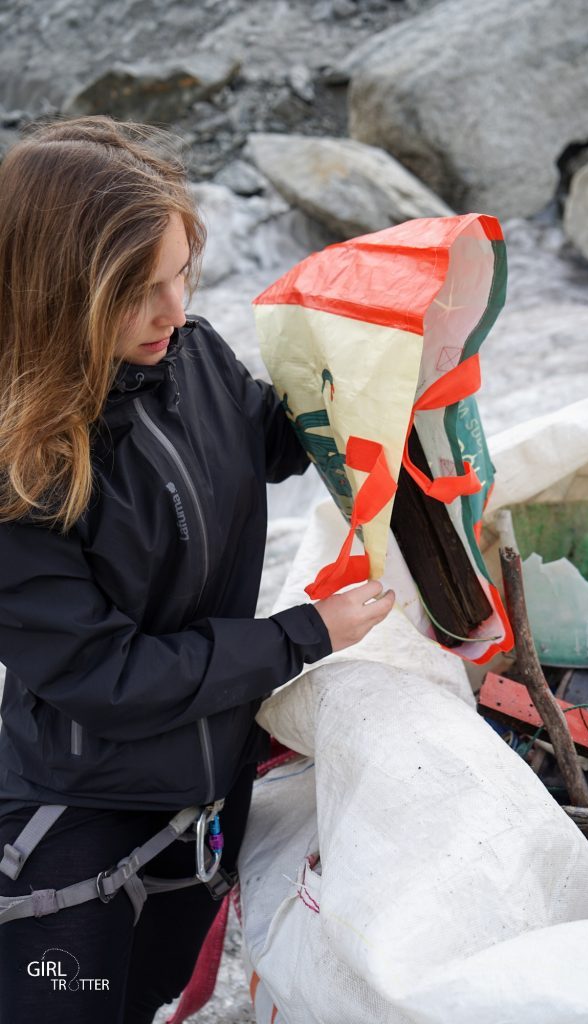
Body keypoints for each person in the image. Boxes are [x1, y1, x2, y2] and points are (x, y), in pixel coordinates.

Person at [0, 116, 395, 1023]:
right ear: (60, 292)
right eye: (139, 292)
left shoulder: (192, 355)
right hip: (79, 833)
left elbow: (262, 435)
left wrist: (381, 384)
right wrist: (302, 637)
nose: (174, 310)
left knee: (159, 998)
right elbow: (110, 676)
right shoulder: (23, 474)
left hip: (206, 797)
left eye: (182, 273)